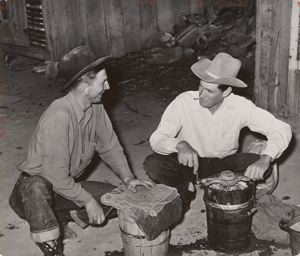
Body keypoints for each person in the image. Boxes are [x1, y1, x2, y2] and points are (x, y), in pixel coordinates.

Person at [9, 46, 153, 256]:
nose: (108, 86)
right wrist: (87, 200)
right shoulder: (59, 115)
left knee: (118, 200)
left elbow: (109, 146)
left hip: (63, 187)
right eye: (103, 82)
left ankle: (62, 217)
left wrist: (129, 179)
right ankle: (52, 246)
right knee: (38, 186)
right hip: (33, 191)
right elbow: (54, 175)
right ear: (85, 86)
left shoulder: (96, 107)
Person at [143, 52, 292, 211]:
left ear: (226, 92)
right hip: (189, 164)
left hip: (224, 166)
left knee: (261, 165)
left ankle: (225, 191)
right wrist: (180, 144)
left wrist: (265, 159)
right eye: (200, 87)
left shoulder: (240, 106)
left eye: (209, 91)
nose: (201, 95)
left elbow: (281, 128)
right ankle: (184, 191)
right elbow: (157, 138)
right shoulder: (183, 102)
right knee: (154, 164)